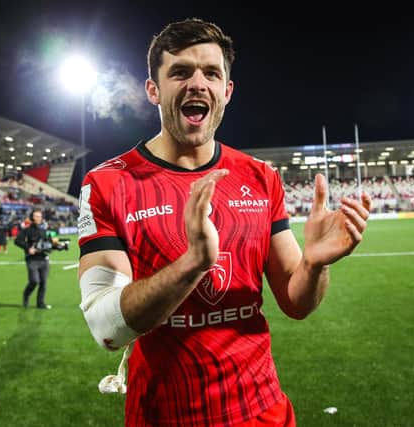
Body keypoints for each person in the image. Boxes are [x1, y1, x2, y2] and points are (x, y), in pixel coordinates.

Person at [77, 18, 371, 427]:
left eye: (211, 73)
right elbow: (106, 327)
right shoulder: (109, 183)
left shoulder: (260, 177)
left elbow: (296, 302)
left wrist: (314, 265)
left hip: (262, 411)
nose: (198, 83)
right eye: (180, 71)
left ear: (226, 92)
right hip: (162, 415)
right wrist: (194, 261)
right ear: (153, 90)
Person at [14, 209, 52, 309]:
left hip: (44, 259)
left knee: (43, 282)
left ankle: (40, 303)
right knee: (34, 281)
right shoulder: (27, 230)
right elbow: (17, 241)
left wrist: (56, 246)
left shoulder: (44, 230)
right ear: (32, 218)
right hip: (32, 260)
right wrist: (28, 248)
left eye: (40, 216)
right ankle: (26, 295)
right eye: (36, 216)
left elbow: (48, 244)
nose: (39, 218)